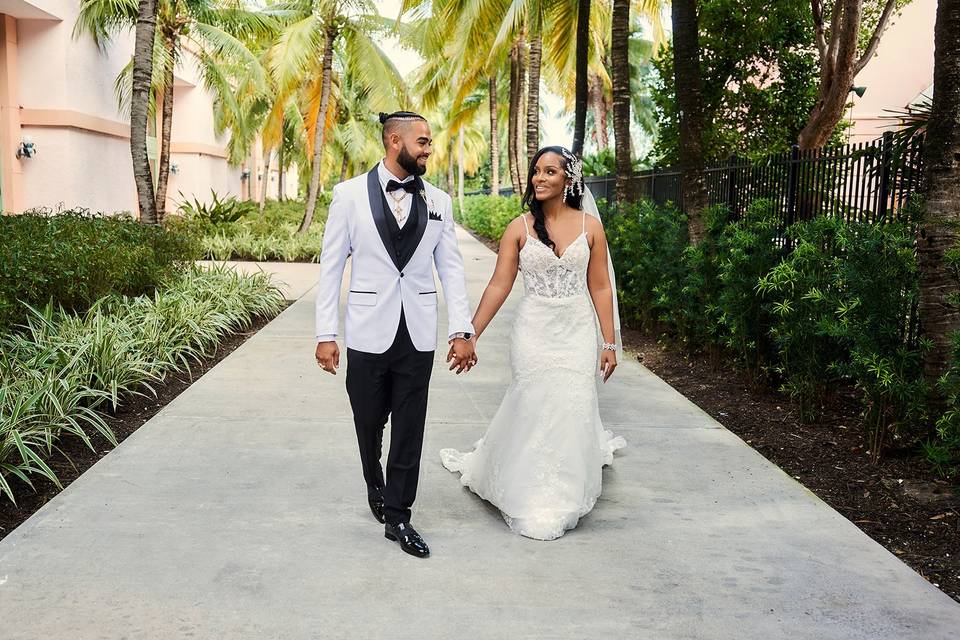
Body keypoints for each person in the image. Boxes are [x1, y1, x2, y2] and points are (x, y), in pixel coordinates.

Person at [440, 145, 626, 541]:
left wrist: (608, 342)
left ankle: (565, 490)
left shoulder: (591, 227)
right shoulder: (518, 228)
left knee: (571, 402)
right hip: (533, 331)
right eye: (536, 172)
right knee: (533, 401)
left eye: (549, 172)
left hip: (576, 329)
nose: (539, 179)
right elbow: (498, 285)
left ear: (568, 180)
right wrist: (469, 333)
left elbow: (601, 286)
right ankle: (529, 489)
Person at [314, 111, 477, 558]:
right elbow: (331, 268)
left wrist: (462, 330)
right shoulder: (348, 196)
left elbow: (453, 272)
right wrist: (325, 333)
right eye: (422, 142)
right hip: (367, 329)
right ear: (393, 141)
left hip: (419, 331)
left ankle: (399, 514)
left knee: (410, 424)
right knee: (368, 421)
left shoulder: (440, 201)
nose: (428, 149)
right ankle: (374, 479)